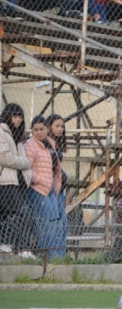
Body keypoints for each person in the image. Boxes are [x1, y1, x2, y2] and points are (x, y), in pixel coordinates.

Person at [25, 115, 64, 260]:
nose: (39, 132)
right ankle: (49, 257)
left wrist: (56, 183)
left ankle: (57, 257)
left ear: (47, 129)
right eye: (35, 130)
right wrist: (39, 179)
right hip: (37, 189)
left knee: (55, 222)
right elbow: (26, 168)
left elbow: (55, 166)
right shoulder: (30, 145)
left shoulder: (50, 143)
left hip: (50, 189)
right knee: (46, 223)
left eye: (41, 129)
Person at [0, 103, 32, 254]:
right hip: (6, 181)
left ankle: (18, 248)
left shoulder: (18, 136)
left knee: (19, 214)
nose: (18, 119)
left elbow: (20, 159)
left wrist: (25, 168)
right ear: (8, 116)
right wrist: (24, 163)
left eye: (20, 116)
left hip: (19, 181)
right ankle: (7, 244)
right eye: (15, 116)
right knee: (18, 212)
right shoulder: (1, 131)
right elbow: (4, 157)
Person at [45, 114, 68, 254]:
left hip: (59, 189)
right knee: (55, 222)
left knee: (62, 223)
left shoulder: (56, 144)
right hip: (50, 189)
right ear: (49, 127)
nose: (60, 129)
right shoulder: (46, 144)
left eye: (62, 126)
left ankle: (60, 254)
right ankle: (54, 254)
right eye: (57, 126)